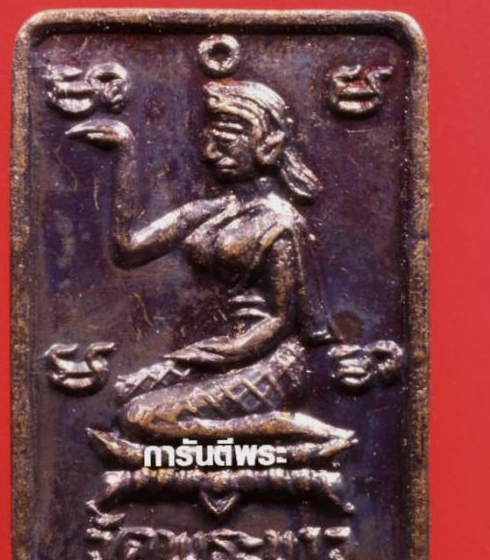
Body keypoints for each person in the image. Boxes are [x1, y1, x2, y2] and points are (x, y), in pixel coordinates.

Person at [69, 78, 356, 467]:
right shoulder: (214, 210)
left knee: (139, 417)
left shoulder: (281, 222)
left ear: (267, 145)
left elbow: (280, 319)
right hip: (222, 350)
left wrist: (224, 353)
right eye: (210, 136)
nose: (209, 150)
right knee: (122, 395)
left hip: (272, 363)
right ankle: (236, 441)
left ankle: (290, 430)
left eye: (228, 137)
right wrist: (125, 151)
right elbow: (129, 249)